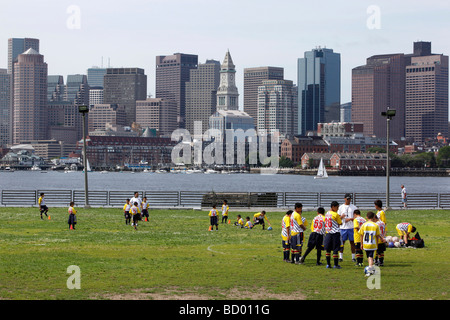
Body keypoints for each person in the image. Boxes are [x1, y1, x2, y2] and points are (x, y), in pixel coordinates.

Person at [359, 211, 384, 276]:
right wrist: (379, 241)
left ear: (366, 217)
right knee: (370, 257)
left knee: (369, 257)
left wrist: (361, 244)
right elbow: (377, 235)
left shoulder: (364, 225)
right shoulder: (376, 225)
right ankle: (370, 270)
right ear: (373, 217)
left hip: (366, 244)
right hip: (373, 244)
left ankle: (371, 269)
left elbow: (361, 235)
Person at [338, 193, 358, 262]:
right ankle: (340, 257)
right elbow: (337, 217)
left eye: (349, 199)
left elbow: (357, 217)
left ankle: (353, 257)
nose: (348, 200)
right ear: (344, 199)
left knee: (352, 242)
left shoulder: (354, 207)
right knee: (342, 242)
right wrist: (342, 217)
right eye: (347, 199)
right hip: (343, 227)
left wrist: (350, 219)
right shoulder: (341, 207)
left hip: (351, 227)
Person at [324, 201, 342, 269]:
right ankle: (336, 264)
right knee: (335, 249)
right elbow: (340, 223)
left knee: (328, 250)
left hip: (328, 233)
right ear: (333, 207)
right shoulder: (335, 214)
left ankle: (328, 264)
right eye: (337, 207)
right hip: (335, 233)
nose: (337, 209)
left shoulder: (327, 213)